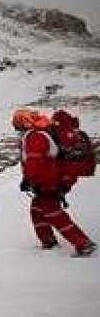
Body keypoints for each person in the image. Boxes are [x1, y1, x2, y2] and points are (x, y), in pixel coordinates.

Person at [13, 109, 96, 257]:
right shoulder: (42, 133)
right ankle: (48, 241)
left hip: (49, 181)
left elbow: (34, 160)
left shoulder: (35, 136)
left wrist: (27, 179)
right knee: (37, 209)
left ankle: (83, 243)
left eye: (17, 125)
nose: (16, 129)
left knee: (53, 212)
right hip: (52, 179)